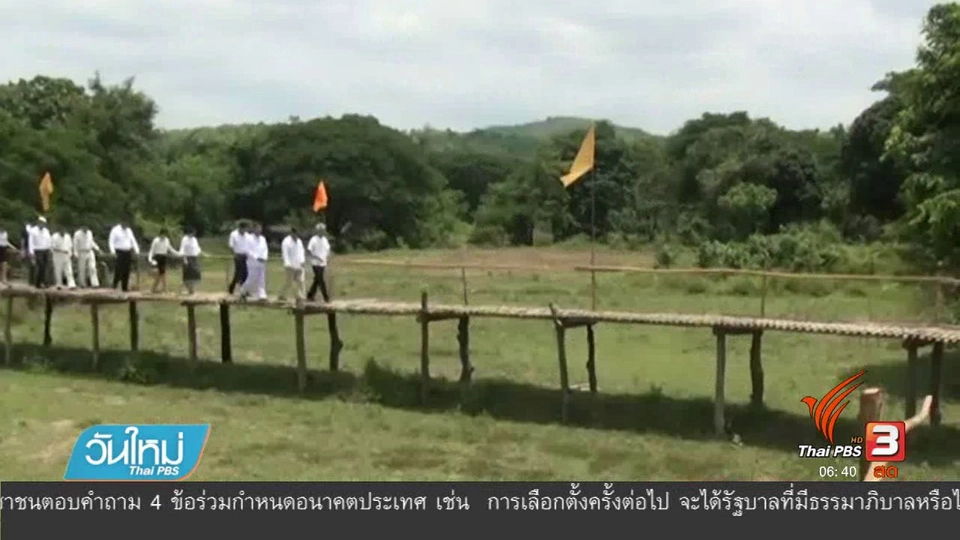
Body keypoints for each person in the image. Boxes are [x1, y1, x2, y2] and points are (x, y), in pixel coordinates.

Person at [109, 219, 140, 291]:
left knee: (127, 269)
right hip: (119, 251)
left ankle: (124, 287)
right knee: (118, 269)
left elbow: (133, 240)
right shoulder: (115, 230)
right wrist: (112, 251)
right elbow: (111, 241)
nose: (126, 226)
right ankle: (114, 285)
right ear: (122, 222)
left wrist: (136, 250)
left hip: (127, 251)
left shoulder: (129, 230)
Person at [239, 224, 268, 301]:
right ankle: (243, 290)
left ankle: (261, 294)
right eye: (257, 229)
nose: (259, 230)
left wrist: (264, 257)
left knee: (261, 278)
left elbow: (265, 249)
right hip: (252, 262)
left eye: (260, 229)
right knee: (252, 278)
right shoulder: (249, 238)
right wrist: (256, 257)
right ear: (254, 229)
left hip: (262, 261)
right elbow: (247, 250)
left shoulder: (263, 239)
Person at [278, 227, 306, 300]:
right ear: (292, 233)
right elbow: (285, 253)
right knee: (290, 282)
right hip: (290, 265)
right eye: (295, 233)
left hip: (299, 264)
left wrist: (302, 261)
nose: (296, 235)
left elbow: (302, 252)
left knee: (299, 281)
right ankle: (294, 296)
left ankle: (298, 296)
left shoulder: (299, 241)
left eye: (297, 234)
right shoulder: (286, 241)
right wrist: (287, 264)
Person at [306, 223, 331, 302]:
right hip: (315, 263)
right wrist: (316, 257)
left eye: (323, 230)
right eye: (320, 230)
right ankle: (326, 297)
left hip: (323, 263)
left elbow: (327, 249)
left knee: (317, 280)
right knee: (321, 280)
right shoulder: (313, 239)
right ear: (317, 231)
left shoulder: (325, 240)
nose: (322, 232)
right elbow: (309, 250)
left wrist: (326, 257)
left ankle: (310, 295)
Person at [147, 228, 175, 293]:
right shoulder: (156, 240)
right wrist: (150, 258)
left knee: (163, 274)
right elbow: (152, 250)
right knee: (158, 274)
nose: (164, 236)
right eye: (163, 234)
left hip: (163, 257)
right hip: (157, 257)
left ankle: (163, 289)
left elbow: (170, 249)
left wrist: (179, 253)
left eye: (165, 235)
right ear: (160, 234)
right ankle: (155, 289)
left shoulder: (167, 240)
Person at [29, 217, 52, 288]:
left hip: (46, 250)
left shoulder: (46, 231)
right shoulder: (33, 231)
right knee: (40, 266)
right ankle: (38, 283)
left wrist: (50, 249)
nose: (42, 225)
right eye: (41, 223)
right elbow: (31, 242)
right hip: (38, 250)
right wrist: (31, 252)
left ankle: (46, 282)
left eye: (44, 224)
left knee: (47, 266)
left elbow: (49, 240)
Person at [227, 221, 250, 294]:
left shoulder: (247, 235)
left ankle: (233, 287)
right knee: (240, 273)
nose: (244, 231)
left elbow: (249, 245)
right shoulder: (233, 234)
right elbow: (231, 245)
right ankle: (241, 289)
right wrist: (234, 254)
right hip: (238, 256)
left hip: (245, 256)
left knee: (244, 274)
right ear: (240, 228)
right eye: (243, 229)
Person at [178, 228, 203, 295]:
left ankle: (192, 289)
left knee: (196, 273)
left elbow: (197, 248)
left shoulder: (194, 239)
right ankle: (189, 289)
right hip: (187, 257)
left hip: (194, 258)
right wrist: (184, 259)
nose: (193, 234)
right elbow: (182, 249)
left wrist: (200, 252)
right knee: (188, 274)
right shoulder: (184, 239)